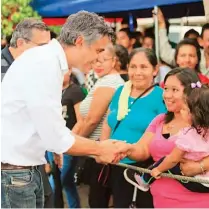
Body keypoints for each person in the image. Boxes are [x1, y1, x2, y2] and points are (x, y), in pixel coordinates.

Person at [1, 11, 131, 208]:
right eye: (97, 51)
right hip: (15, 172)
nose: (97, 60)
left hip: (22, 169)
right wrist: (99, 149)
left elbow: (50, 129)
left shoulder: (46, 60)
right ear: (79, 41)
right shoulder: (45, 63)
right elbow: (55, 136)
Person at [125, 68, 209, 208]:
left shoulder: (203, 126)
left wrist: (198, 167)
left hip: (198, 201)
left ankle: (145, 179)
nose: (167, 95)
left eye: (175, 90)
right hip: (162, 201)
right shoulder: (160, 120)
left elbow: (173, 159)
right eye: (166, 89)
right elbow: (142, 149)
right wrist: (124, 148)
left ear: (191, 93)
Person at [100, 48, 166, 208]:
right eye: (133, 67)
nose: (138, 72)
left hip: (141, 170)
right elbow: (108, 122)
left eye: (144, 67)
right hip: (114, 165)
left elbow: (162, 133)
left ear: (155, 70)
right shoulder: (121, 91)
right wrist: (101, 149)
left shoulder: (161, 96)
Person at [1, 18, 54, 208]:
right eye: (41, 47)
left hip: (30, 161)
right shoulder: (3, 69)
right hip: (11, 166)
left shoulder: (29, 68)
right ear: (21, 43)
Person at [73, 44, 124, 208]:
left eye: (103, 60)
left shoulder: (110, 82)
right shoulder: (102, 80)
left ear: (114, 60)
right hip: (98, 150)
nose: (98, 65)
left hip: (101, 151)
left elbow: (92, 120)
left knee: (98, 201)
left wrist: (74, 142)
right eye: (95, 61)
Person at [47, 70, 85, 208]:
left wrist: (68, 139)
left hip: (67, 143)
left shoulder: (75, 91)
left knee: (58, 181)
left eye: (65, 70)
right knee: (65, 182)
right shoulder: (52, 91)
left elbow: (81, 120)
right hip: (52, 143)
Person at [157, 8, 209, 78]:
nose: (187, 59)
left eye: (191, 56)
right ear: (200, 41)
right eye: (208, 40)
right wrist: (162, 25)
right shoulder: (193, 52)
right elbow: (165, 53)